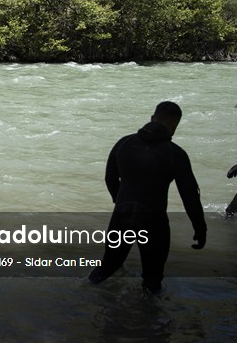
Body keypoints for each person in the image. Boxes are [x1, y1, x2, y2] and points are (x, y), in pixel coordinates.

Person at [88, 101, 206, 293]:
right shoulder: (175, 154)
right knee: (152, 280)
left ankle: (83, 298)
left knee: (107, 267)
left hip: (122, 216)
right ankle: (149, 311)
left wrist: (120, 202)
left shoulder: (124, 143)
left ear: (152, 118)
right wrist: (200, 228)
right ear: (174, 125)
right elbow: (190, 195)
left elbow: (110, 178)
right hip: (154, 222)